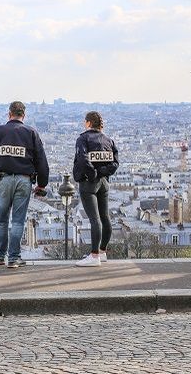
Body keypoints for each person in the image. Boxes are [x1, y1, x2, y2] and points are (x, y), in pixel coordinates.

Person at [0, 101, 49, 268]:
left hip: (4, 179)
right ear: (24, 115)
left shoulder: (0, 130)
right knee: (18, 221)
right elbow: (41, 161)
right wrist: (42, 184)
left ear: (9, 114)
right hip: (24, 180)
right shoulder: (31, 132)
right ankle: (14, 258)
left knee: (2, 220)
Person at [73, 111, 119, 267]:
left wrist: (93, 174)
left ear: (87, 123)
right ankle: (102, 251)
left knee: (94, 219)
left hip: (89, 183)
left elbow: (82, 159)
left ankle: (94, 256)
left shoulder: (83, 139)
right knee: (105, 217)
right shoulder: (109, 141)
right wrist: (102, 173)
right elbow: (115, 164)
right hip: (104, 183)